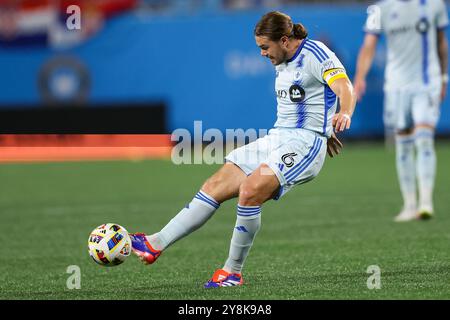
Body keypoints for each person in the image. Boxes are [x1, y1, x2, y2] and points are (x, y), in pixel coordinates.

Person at [130, 11, 356, 288]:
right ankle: (155, 242)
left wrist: (341, 115)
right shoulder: (282, 57)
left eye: (265, 47)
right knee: (215, 184)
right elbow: (310, 100)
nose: (262, 54)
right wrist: (327, 122)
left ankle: (232, 272)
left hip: (305, 143)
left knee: (250, 191)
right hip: (278, 136)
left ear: (285, 40)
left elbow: (344, 86)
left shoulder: (316, 53)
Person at [354, 0, 448, 222]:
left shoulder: (434, 5)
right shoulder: (380, 9)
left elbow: (441, 44)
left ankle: (426, 202)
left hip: (427, 83)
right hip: (396, 87)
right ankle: (409, 205)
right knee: (403, 143)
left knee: (424, 138)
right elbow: (368, 46)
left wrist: (444, 77)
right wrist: (359, 77)